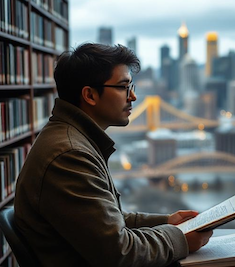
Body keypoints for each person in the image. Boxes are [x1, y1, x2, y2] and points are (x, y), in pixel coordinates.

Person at [14, 43, 213, 267]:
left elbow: (105, 221)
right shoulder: (69, 155)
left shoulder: (76, 140)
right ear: (89, 95)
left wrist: (167, 221)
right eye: (124, 87)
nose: (134, 97)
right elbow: (120, 252)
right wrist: (180, 239)